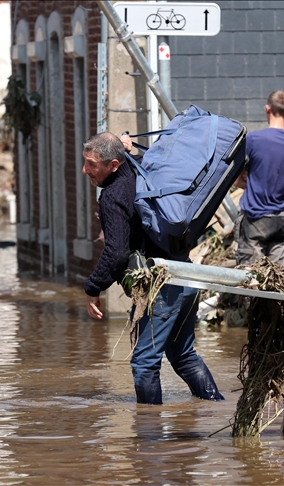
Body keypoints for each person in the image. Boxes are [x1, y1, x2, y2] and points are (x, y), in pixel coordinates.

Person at [81, 132, 224, 405]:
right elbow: (131, 155)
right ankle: (215, 408)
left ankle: (148, 440)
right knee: (183, 355)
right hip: (187, 277)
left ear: (113, 165)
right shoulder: (143, 169)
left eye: (91, 164)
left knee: (144, 363)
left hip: (161, 287)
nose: (85, 170)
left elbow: (116, 252)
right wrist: (125, 146)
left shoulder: (112, 196)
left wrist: (93, 287)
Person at [234, 90, 284, 267]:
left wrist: (249, 184)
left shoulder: (252, 140)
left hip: (254, 218)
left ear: (267, 109)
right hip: (280, 219)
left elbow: (234, 177)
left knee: (249, 279)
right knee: (277, 282)